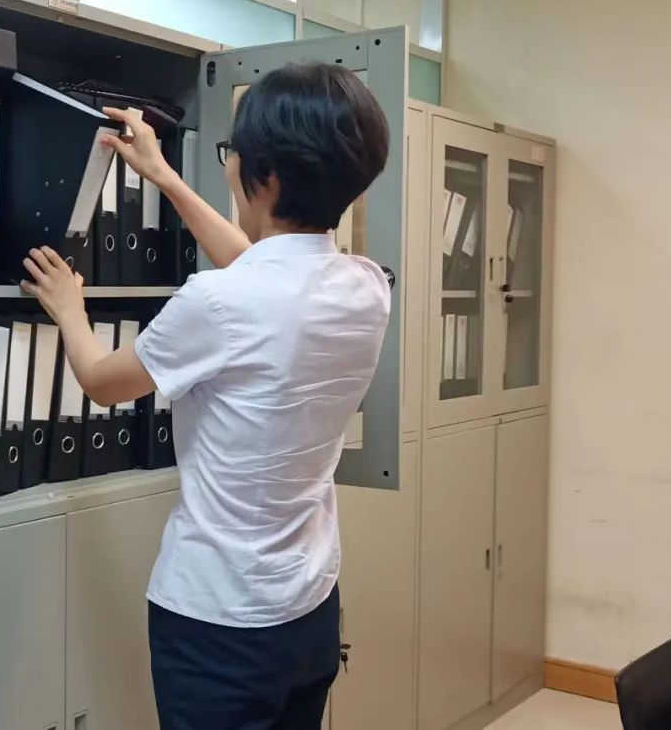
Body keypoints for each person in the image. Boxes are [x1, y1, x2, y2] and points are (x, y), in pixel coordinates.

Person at [20, 62, 392, 730]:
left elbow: (102, 381)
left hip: (218, 621)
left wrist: (70, 308)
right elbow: (262, 266)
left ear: (267, 176)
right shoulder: (366, 286)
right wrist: (163, 176)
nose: (230, 166)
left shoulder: (218, 303)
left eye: (232, 153)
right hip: (308, 608)